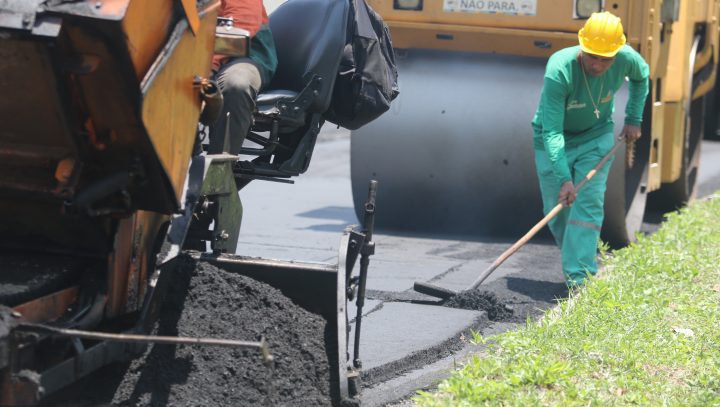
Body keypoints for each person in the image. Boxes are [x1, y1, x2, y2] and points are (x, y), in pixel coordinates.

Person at [531, 11, 649, 287]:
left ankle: (580, 279)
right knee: (557, 210)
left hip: (596, 137)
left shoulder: (627, 58)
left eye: (604, 59)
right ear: (581, 46)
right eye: (591, 56)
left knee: (588, 203)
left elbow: (642, 77)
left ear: (617, 52)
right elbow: (552, 132)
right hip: (551, 138)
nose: (596, 65)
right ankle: (575, 259)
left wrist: (633, 118)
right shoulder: (559, 69)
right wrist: (564, 179)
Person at [209, 0, 278, 154]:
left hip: (243, 54)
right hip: (190, 57)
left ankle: (219, 172)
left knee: (236, 84)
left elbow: (242, 22)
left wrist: (209, 65)